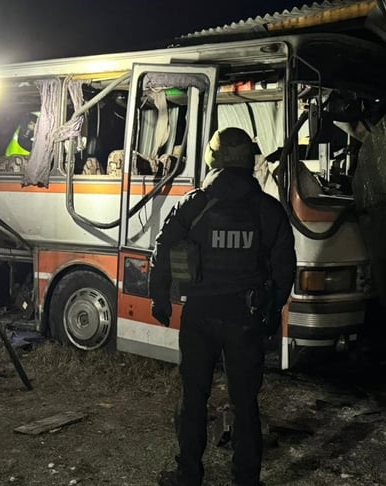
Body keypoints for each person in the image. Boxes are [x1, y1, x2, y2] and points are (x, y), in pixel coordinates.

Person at [149, 127, 296, 486]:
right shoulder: (268, 210)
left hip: (199, 315)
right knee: (245, 404)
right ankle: (246, 480)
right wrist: (271, 310)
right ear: (249, 160)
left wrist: (159, 297)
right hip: (244, 319)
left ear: (212, 159)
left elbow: (164, 248)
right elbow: (284, 267)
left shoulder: (194, 203)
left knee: (194, 397)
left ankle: (189, 477)